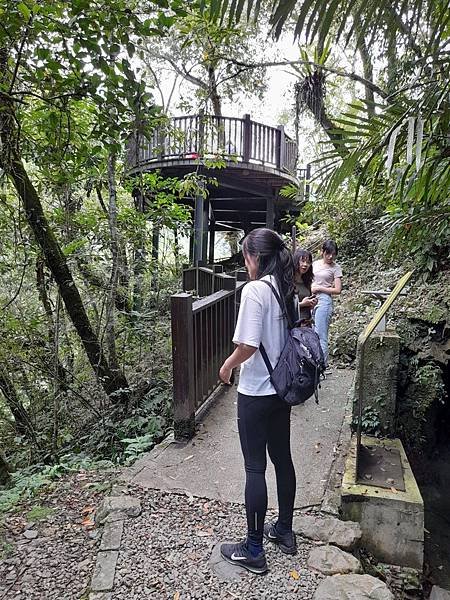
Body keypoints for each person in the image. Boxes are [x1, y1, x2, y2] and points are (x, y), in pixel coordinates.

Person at [218, 228, 297, 574]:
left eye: (246, 257)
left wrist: (226, 366)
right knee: (282, 459)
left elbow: (247, 345)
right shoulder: (286, 288)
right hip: (282, 391)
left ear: (255, 258)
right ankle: (284, 531)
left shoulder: (254, 290)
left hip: (255, 393)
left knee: (255, 468)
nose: (244, 263)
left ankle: (253, 549)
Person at [312, 240, 342, 367]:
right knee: (312, 333)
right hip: (311, 300)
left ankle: (322, 365)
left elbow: (337, 290)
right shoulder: (314, 264)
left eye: (333, 254)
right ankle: (314, 363)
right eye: (328, 253)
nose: (330, 257)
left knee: (321, 334)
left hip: (324, 300)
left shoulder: (336, 268)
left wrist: (319, 288)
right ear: (322, 252)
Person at [293, 247, 317, 324]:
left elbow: (308, 304)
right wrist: (302, 304)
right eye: (302, 261)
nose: (305, 265)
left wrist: (311, 303)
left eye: (308, 262)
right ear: (296, 261)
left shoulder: (307, 282)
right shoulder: (288, 282)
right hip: (294, 325)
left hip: (306, 323)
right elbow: (284, 307)